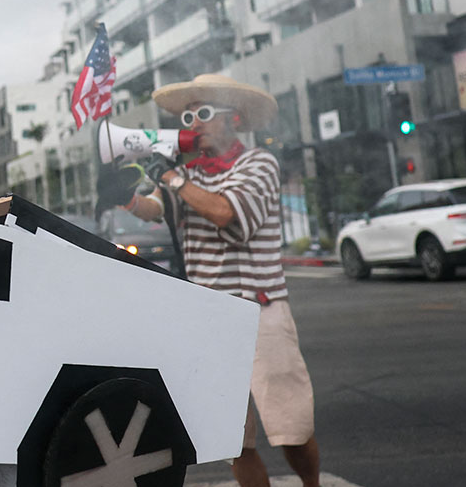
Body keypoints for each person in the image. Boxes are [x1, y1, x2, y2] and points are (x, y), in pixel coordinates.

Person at [122, 74, 320, 487]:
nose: (194, 123)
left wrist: (175, 179)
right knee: (235, 441)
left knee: (292, 429)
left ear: (236, 118)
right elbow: (152, 209)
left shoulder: (258, 163)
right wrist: (124, 194)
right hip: (210, 320)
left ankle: (312, 484)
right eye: (188, 116)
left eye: (205, 113)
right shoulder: (186, 173)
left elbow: (229, 216)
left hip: (260, 311)